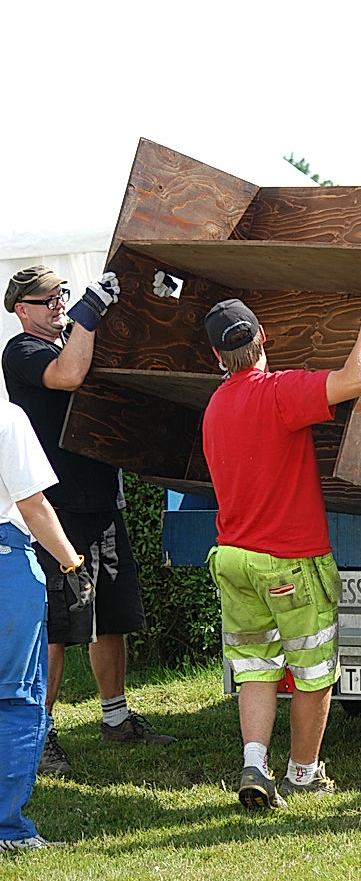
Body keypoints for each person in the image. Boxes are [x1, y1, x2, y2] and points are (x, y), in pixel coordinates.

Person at [202, 276, 361, 810]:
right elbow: (358, 378)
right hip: (290, 560)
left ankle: (253, 763)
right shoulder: (278, 393)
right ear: (263, 336)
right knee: (313, 672)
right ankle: (304, 773)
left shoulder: (215, 407)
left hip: (234, 558)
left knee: (255, 666)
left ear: (217, 355)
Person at [2, 265, 176, 776]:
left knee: (113, 615)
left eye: (62, 296)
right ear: (22, 310)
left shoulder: (72, 336)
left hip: (101, 495)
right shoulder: (23, 351)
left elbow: (116, 347)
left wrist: (148, 297)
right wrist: (88, 312)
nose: (58, 305)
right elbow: (69, 375)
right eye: (47, 300)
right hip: (56, 508)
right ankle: (43, 731)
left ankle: (116, 718)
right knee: (56, 625)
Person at [1, 399, 94, 852]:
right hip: (4, 562)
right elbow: (33, 503)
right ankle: (7, 831)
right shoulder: (8, 418)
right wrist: (71, 563)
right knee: (15, 700)